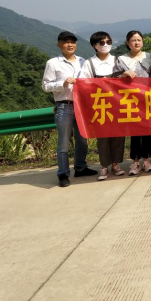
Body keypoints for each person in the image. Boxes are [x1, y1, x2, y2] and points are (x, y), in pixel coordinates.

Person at [42, 31, 96, 187]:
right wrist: (63, 83)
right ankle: (63, 174)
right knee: (63, 143)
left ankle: (80, 167)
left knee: (82, 140)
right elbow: (45, 86)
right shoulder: (53, 63)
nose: (70, 45)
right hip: (63, 105)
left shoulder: (83, 61)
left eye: (73, 42)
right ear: (59, 45)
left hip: (81, 106)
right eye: (66, 42)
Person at [79, 31, 126, 181]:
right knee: (103, 137)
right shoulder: (89, 63)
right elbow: (83, 83)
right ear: (94, 45)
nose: (106, 45)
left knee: (118, 135)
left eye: (108, 42)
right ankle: (104, 166)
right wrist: (98, 83)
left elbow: (126, 80)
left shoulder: (117, 60)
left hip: (117, 104)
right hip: (100, 105)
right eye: (102, 42)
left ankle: (116, 164)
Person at [113, 30, 151, 174]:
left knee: (147, 131)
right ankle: (135, 161)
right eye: (133, 40)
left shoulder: (150, 57)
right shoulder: (121, 59)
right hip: (130, 100)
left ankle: (147, 160)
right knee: (134, 132)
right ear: (127, 43)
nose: (136, 42)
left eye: (139, 40)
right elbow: (114, 79)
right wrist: (123, 75)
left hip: (147, 99)